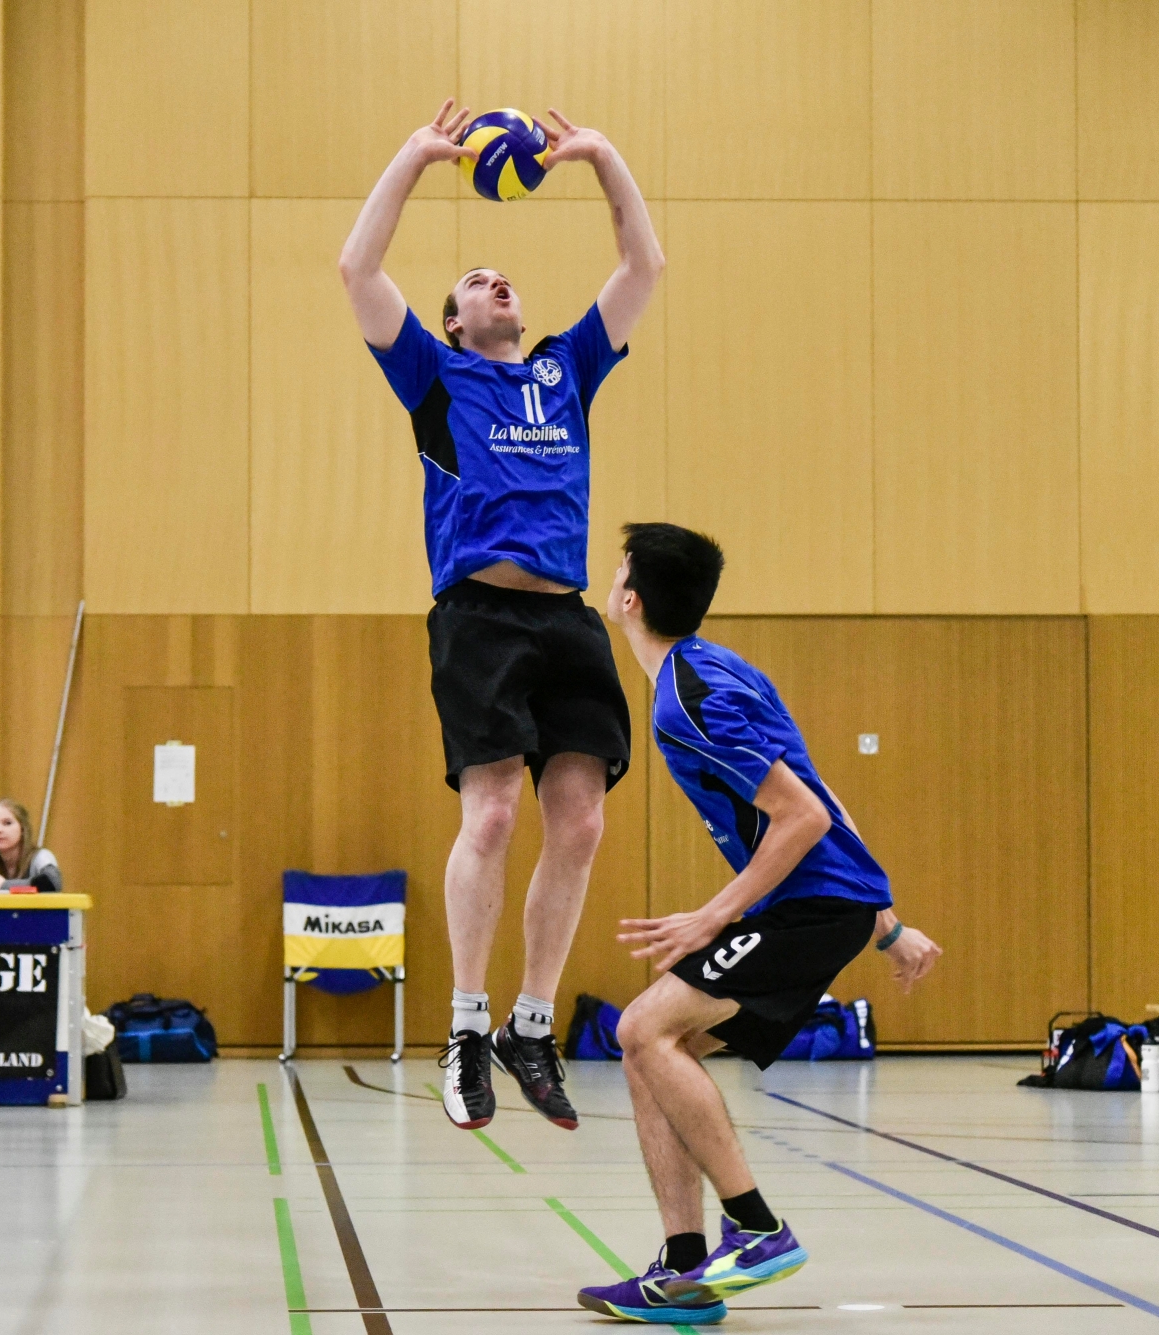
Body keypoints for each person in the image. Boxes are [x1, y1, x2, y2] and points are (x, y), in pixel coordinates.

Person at [341, 100, 664, 1131]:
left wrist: (605, 157)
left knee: (580, 821)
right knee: (490, 814)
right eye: (473, 282)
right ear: (451, 323)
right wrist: (414, 155)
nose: (496, 282)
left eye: (501, 276)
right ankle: (467, 1025)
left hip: (566, 620)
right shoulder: (434, 379)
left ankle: (532, 1023)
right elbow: (356, 268)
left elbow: (642, 266)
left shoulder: (563, 367)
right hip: (477, 615)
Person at [578, 524, 942, 1325]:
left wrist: (710, 916)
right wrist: (887, 924)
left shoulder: (690, 698)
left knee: (642, 1027)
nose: (612, 576)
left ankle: (756, 1227)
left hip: (809, 908)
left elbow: (803, 814)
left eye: (619, 568)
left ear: (630, 598)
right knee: (650, 1050)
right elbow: (824, 796)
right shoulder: (717, 668)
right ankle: (683, 1271)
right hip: (828, 904)